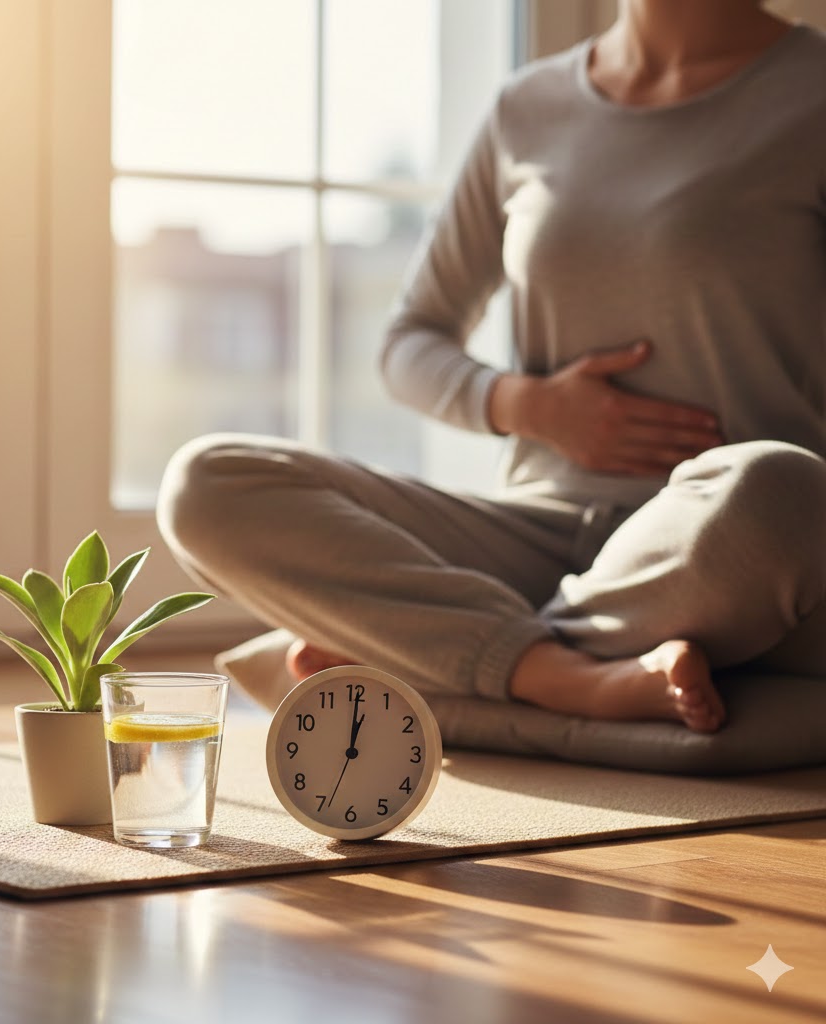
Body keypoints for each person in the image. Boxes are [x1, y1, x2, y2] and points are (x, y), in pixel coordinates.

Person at [157, 0, 826, 736]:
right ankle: (566, 679)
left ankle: (437, 660)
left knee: (779, 491)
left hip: (725, 549)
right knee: (206, 483)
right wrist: (526, 405)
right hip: (536, 536)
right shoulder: (528, 108)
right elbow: (410, 341)